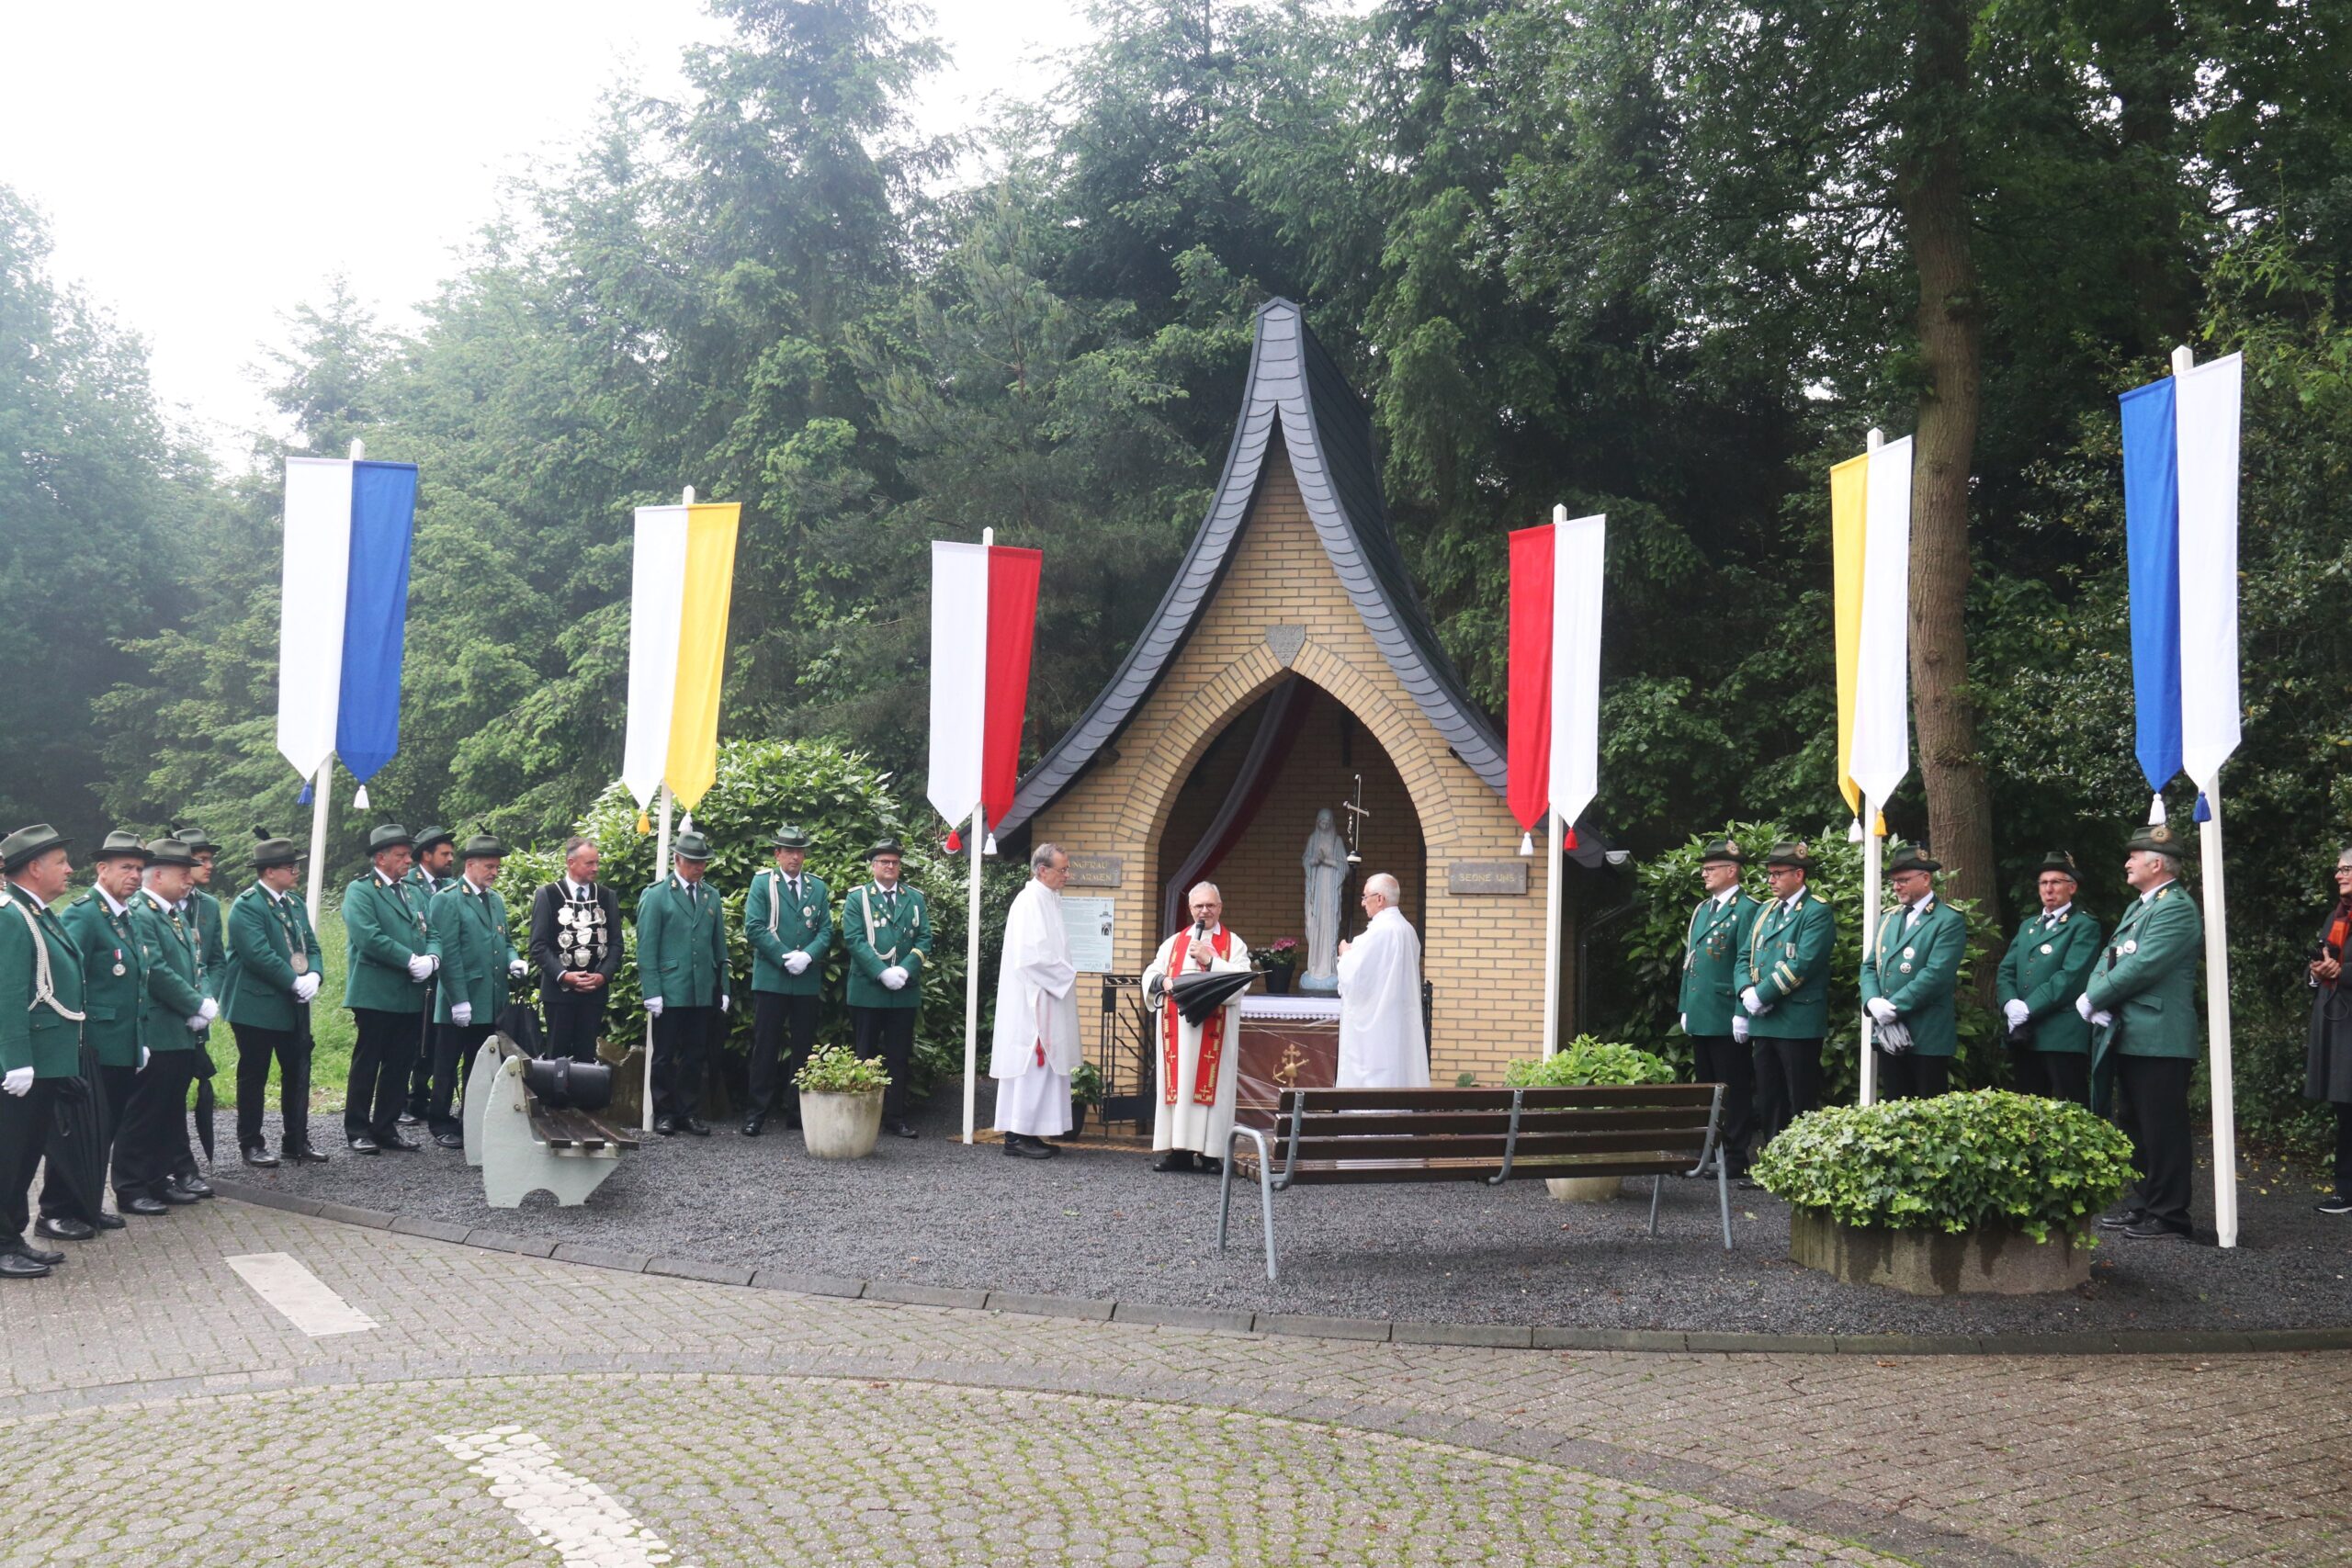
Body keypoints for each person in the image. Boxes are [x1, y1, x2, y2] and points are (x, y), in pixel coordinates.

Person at [2082, 822, 2203, 1242]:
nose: (2127, 863)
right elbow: (2112, 955)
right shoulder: (2141, 906)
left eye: (2134, 856)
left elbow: (2144, 964)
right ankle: (2145, 1202)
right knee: (2134, 1123)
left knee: (2162, 1127)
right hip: (2133, 1032)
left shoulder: (2176, 907)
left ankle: (2170, 1215)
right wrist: (2094, 994)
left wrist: (2095, 997)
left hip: (2161, 1036)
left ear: (2156, 863)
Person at [49, 831, 153, 1236]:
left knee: (104, 1130)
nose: (134, 876)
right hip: (93, 1043)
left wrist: (139, 1038)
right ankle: (55, 1210)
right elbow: (66, 977)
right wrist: (76, 1041)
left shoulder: (126, 915)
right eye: (126, 868)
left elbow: (137, 981)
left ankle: (86, 1202)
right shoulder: (85, 912)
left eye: (140, 869)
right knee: (79, 1131)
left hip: (122, 1043)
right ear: (102, 869)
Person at [0, 824, 85, 1279]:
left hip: (46, 1057)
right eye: (59, 862)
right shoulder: (10, 915)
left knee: (25, 1155)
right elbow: (7, 993)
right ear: (34, 868)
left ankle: (12, 1236)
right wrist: (15, 1059)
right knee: (9, 1156)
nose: (70, 869)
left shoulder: (37, 911)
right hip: (24, 1062)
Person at [219, 829, 326, 1168]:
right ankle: (251, 1143)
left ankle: (296, 1140)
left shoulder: (294, 904)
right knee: (254, 1074)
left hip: (292, 1004)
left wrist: (315, 975)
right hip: (256, 1005)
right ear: (269, 872)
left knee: (297, 1071)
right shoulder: (247, 906)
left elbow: (312, 945)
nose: (295, 871)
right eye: (289, 867)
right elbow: (258, 955)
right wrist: (294, 981)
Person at [124, 839, 213, 1214]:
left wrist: (202, 999)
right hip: (158, 1027)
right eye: (182, 873)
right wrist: (195, 1003)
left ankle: (159, 1180)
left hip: (179, 1028)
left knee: (169, 1110)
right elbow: (155, 969)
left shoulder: (171, 912)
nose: (190, 879)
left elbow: (196, 964)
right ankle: (131, 1187)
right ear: (157, 875)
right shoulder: (141, 912)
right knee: (144, 1113)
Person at [339, 823, 436, 1155]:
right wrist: (410, 959)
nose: (408, 860)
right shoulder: (361, 891)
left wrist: (433, 958)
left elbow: (431, 928)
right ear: (380, 858)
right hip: (375, 992)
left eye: (408, 855)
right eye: (401, 855)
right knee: (368, 1062)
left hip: (410, 993)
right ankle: (357, 1127)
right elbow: (368, 937)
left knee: (399, 1064)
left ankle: (386, 1125)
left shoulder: (412, 891)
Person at [424, 834, 526, 1150]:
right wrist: (458, 1000)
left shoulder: (493, 899)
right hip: (461, 998)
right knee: (446, 1064)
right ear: (470, 865)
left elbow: (504, 942)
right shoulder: (448, 898)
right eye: (489, 866)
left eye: (496, 867)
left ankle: (471, 1119)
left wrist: (513, 961)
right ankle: (440, 1121)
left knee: (479, 1065)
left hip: (489, 999)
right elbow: (449, 952)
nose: (494, 872)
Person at [1142, 879, 1250, 1172]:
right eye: (1199, 905)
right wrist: (1162, 981)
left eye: (1210, 905)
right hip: (1177, 1032)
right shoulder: (1174, 943)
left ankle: (1211, 1154)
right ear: (1190, 909)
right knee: (1179, 1088)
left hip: (1213, 1032)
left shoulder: (1233, 944)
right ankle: (1178, 1152)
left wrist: (1210, 960)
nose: (1205, 911)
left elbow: (1240, 983)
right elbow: (1153, 970)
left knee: (1211, 1090)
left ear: (1220, 907)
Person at [1741, 841, 1836, 1148]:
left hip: (1797, 1020)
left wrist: (1763, 994)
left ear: (1798, 874)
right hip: (1764, 1020)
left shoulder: (1816, 911)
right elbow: (1745, 956)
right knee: (1769, 1096)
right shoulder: (1765, 911)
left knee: (1800, 1098)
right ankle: (1771, 1162)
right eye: (1769, 874)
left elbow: (1804, 962)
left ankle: (1801, 1164)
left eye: (1777, 873)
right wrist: (1745, 991)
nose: (1771, 880)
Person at [1678, 838, 1760, 1179]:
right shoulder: (1703, 909)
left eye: (1711, 868)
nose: (1704, 873)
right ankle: (1710, 1150)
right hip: (1701, 1011)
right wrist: (1685, 1005)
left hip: (1728, 1012)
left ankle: (1737, 1155)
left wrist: (1744, 1010)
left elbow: (1749, 962)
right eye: (1704, 868)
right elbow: (1690, 963)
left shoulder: (1748, 908)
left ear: (1732, 870)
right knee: (1707, 1087)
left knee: (1734, 1088)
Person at [638, 829, 729, 1136]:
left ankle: (689, 1111)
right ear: (677, 859)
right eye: (692, 861)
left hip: (701, 987)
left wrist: (723, 987)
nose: (698, 867)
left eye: (702, 861)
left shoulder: (710, 895)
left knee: (694, 1054)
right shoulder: (656, 894)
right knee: (664, 1055)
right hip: (670, 986)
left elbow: (720, 948)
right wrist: (652, 991)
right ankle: (664, 1112)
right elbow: (647, 948)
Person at [991, 843, 1080, 1158]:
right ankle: (1016, 1136)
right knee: (1032, 1067)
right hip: (1033, 1003)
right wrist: (1067, 976)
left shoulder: (1049, 899)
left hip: (1047, 996)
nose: (1067, 875)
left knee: (1045, 1072)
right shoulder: (1029, 902)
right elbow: (1031, 957)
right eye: (1062, 869)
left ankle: (1031, 1131)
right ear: (1042, 870)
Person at [1860, 844, 1966, 1100]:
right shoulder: (1889, 917)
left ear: (1926, 879)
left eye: (1904, 880)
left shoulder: (1947, 920)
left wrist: (1892, 1007)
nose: (1896, 887)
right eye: (1895, 881)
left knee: (1928, 1116)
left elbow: (1936, 975)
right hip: (1888, 1032)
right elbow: (1870, 966)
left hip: (1926, 1034)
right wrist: (1873, 1001)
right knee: (1893, 1112)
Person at [742, 826, 830, 1135]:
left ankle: (798, 1111)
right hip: (771, 979)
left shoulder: (817, 888)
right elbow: (753, 927)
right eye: (789, 851)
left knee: (804, 1047)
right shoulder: (762, 882)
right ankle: (757, 1113)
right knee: (765, 1047)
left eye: (800, 851)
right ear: (777, 854)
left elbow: (825, 930)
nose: (795, 856)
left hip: (806, 979)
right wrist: (783, 956)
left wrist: (807, 956)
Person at [1996, 851, 2101, 1104]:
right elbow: (2006, 970)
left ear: (2072, 887)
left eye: (2056, 882)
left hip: (2062, 1035)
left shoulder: (2083, 926)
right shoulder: (2028, 926)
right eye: (2043, 883)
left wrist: (2029, 1007)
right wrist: (2010, 1003)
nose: (2048, 889)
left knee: (2071, 1109)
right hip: (2025, 1034)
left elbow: (2070, 977)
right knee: (2028, 1114)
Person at [842, 839, 930, 1138]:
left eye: (894, 862)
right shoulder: (858, 898)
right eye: (884, 862)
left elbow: (924, 939)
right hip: (868, 989)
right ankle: (862, 1118)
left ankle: (895, 1118)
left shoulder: (914, 898)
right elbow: (854, 939)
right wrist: (882, 973)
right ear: (873, 865)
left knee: (898, 1057)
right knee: (864, 1054)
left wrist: (905, 969)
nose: (890, 866)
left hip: (904, 991)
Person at [528, 836, 621, 1067]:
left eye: (597, 862)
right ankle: (554, 1103)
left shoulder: (607, 896)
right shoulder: (548, 894)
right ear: (571, 862)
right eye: (589, 863)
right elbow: (538, 946)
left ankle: (585, 1102)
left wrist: (602, 976)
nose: (596, 868)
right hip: (559, 993)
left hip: (594, 991)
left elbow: (616, 944)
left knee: (587, 1056)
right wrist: (564, 975)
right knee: (556, 1055)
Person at [1335, 873, 1429, 1089]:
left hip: (1377, 1026)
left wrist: (1345, 953)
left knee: (1375, 1078)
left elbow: (1356, 977)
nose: (1362, 903)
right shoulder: (1408, 930)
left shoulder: (1379, 932)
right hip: (1399, 1017)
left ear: (1380, 899)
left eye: (1365, 896)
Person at [399, 826, 458, 1123]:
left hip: (441, 974)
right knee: (411, 1041)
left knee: (432, 1041)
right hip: (415, 974)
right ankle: (400, 1100)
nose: (451, 858)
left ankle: (420, 1096)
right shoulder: (409, 884)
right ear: (426, 855)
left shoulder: (451, 885)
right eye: (445, 853)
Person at [2306, 846, 2352, 1217]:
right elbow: (2325, 960)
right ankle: (2346, 1190)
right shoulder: (2335, 916)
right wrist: (2317, 971)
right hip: (2337, 1022)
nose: (2340, 875)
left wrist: (2343, 972)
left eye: (2348, 869)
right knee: (2345, 1107)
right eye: (2338, 869)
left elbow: (2343, 967)